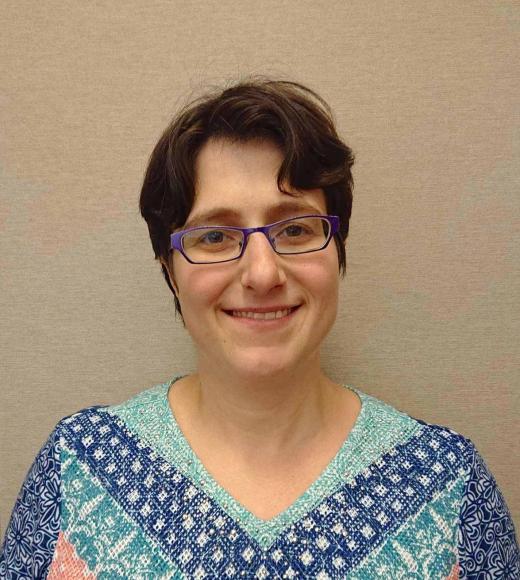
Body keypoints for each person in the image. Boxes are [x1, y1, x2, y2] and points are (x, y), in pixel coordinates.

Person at [1, 79, 518, 579]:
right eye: (215, 236)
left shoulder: (448, 484)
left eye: (295, 229)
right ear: (169, 270)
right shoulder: (78, 470)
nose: (263, 274)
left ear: (338, 250)